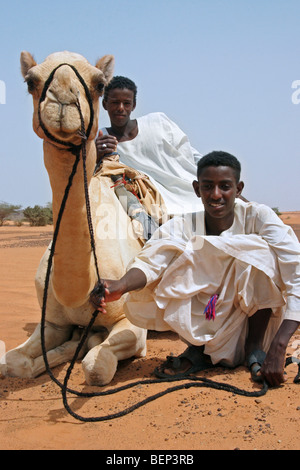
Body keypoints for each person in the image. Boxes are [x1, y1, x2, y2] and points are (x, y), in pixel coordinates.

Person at [91, 151, 300, 387]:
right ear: (196, 189)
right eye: (208, 186)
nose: (216, 195)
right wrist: (120, 285)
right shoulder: (183, 225)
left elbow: (297, 272)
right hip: (207, 319)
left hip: (255, 325)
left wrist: (280, 345)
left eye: (225, 187)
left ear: (239, 189)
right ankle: (201, 349)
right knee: (172, 260)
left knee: (259, 252)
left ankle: (254, 349)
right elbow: (151, 261)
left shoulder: (259, 217)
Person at [95, 76, 204, 216]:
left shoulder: (157, 122)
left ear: (133, 105)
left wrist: (220, 180)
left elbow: (190, 154)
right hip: (152, 207)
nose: (120, 108)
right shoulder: (101, 139)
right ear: (105, 104)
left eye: (126, 103)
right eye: (115, 102)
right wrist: (95, 155)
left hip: (191, 192)